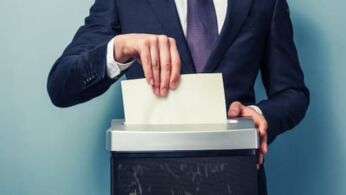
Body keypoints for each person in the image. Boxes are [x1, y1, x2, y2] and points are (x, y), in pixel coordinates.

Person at [47, 0, 310, 194]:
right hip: (148, 181)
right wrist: (119, 49)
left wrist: (261, 115)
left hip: (236, 179)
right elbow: (61, 84)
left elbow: (292, 92)